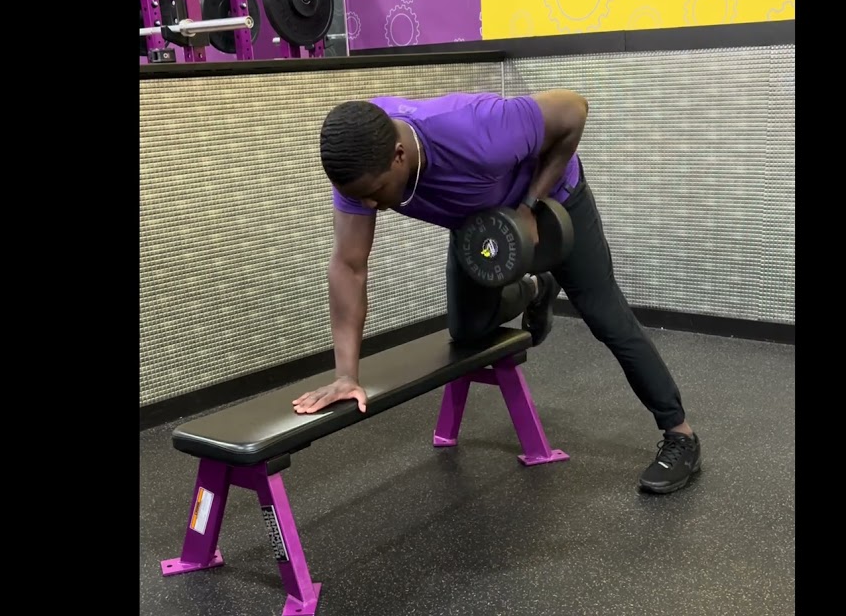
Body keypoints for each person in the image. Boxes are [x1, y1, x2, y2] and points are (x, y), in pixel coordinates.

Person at [291, 91, 702, 494]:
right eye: (356, 196)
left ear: (399, 155)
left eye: (375, 191)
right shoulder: (359, 160)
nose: (366, 204)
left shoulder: (476, 131)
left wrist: (529, 204)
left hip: (553, 202)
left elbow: (573, 109)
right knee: (468, 332)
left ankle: (680, 434)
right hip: (477, 221)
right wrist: (346, 375)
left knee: (604, 314)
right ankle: (538, 288)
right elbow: (349, 266)